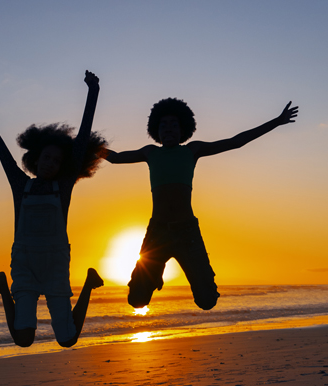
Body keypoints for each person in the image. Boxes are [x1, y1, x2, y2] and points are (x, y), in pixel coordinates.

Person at [105, 98, 298, 310]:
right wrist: (87, 143)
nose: (168, 129)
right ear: (155, 131)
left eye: (174, 125)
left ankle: (182, 273)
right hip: (157, 233)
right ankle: (155, 272)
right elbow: (113, 158)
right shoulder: (150, 152)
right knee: (137, 300)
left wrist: (277, 121)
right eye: (163, 125)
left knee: (207, 301)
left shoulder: (192, 150)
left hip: (187, 232)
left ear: (183, 129)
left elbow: (236, 142)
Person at [0, 70, 107, 348]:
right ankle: (2, 286)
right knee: (23, 338)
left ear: (63, 166)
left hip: (56, 265)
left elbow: (82, 140)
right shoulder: (20, 185)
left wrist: (92, 91)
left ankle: (89, 283)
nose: (50, 163)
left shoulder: (63, 187)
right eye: (46, 157)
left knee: (67, 338)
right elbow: (2, 152)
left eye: (56, 160)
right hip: (25, 264)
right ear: (36, 159)